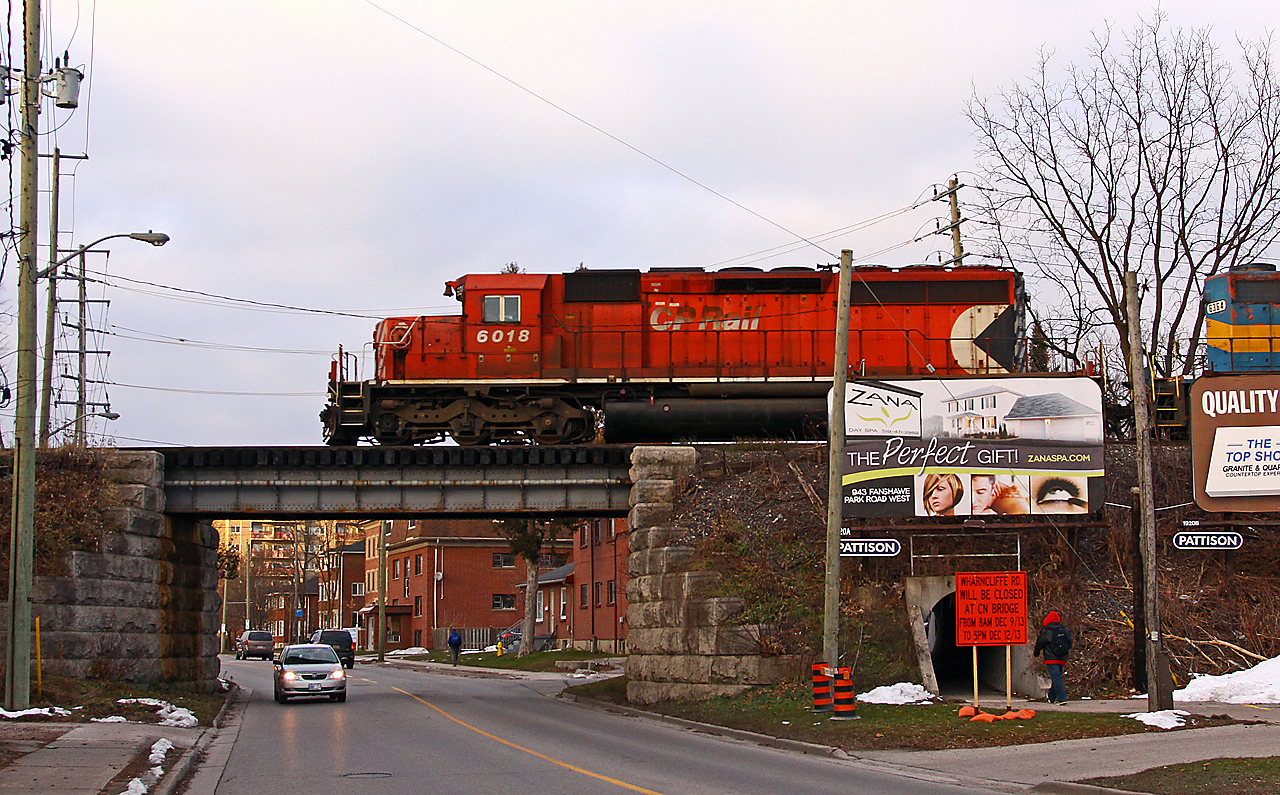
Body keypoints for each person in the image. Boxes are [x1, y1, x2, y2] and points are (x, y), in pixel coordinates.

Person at [1033, 611, 1073, 704]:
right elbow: (1070, 642)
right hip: (1062, 657)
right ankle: (1051, 697)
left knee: (1056, 678)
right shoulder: (1064, 629)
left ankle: (1062, 698)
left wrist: (1036, 653)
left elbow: (1040, 643)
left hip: (1051, 658)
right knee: (1057, 677)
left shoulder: (1047, 630)